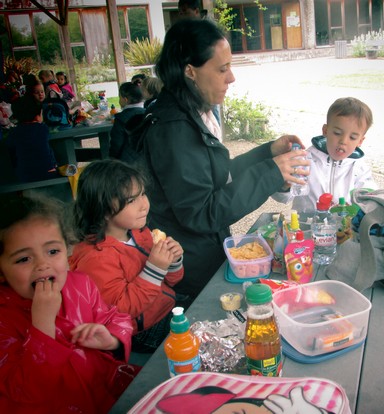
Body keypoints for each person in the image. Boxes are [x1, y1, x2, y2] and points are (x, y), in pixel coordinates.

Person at [134, 18, 306, 308]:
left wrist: (268, 154)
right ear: (190, 71)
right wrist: (271, 173)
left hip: (204, 254)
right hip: (189, 271)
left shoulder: (191, 112)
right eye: (222, 68)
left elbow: (216, 178)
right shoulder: (174, 131)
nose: (231, 78)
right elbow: (201, 212)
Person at [0, 194, 136, 413]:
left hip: (107, 391)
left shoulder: (81, 284)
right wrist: (42, 325)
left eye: (53, 251)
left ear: (67, 250)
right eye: (23, 259)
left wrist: (110, 340)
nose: (43, 265)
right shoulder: (4, 320)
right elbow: (23, 392)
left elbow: (115, 318)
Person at [69, 159, 184, 353]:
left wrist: (173, 261)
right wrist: (154, 269)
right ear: (103, 210)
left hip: (166, 306)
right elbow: (122, 310)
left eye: (142, 194)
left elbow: (172, 281)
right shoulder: (96, 258)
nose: (144, 205)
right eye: (131, 200)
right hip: (142, 331)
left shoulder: (139, 232)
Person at [272, 97, 378, 212]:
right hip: (306, 225)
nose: (344, 141)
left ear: (360, 141)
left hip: (342, 227)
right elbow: (283, 198)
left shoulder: (360, 169)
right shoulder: (305, 160)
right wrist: (284, 186)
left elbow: (370, 199)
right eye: (337, 133)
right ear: (325, 131)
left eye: (352, 137)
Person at [5, 95, 59, 182]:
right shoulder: (43, 128)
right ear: (37, 115)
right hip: (48, 172)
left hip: (25, 175)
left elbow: (10, 148)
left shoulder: (13, 132)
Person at [109, 81, 145, 162]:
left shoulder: (121, 118)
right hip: (146, 160)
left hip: (127, 162)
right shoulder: (148, 113)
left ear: (125, 100)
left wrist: (112, 159)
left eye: (119, 97)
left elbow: (116, 143)